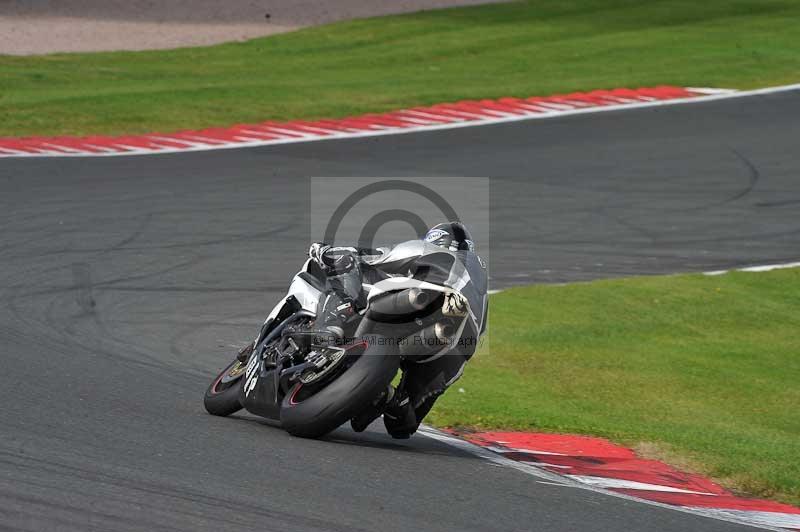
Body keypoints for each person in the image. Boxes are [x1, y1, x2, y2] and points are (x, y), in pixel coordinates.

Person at [308, 222, 487, 439]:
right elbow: (479, 334)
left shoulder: (424, 248)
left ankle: (328, 331)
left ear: (434, 239)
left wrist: (326, 251)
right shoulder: (481, 281)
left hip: (417, 301)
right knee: (403, 424)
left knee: (346, 269)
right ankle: (388, 397)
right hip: (455, 348)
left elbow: (369, 257)